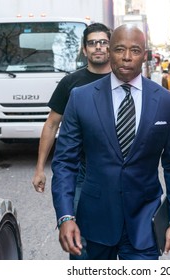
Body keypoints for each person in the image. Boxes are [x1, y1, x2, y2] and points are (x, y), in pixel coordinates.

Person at [51, 24, 170, 260]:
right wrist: (65, 216)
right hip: (92, 224)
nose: (126, 57)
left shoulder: (167, 101)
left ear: (144, 55)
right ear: (109, 51)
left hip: (144, 225)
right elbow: (64, 162)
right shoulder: (80, 98)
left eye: (135, 50)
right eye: (119, 49)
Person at [32, 22, 112, 194]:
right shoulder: (70, 83)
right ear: (84, 50)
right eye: (91, 43)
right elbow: (52, 124)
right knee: (72, 218)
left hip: (113, 169)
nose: (98, 47)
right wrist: (40, 169)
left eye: (103, 42)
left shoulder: (121, 81)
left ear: (111, 47)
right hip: (78, 170)